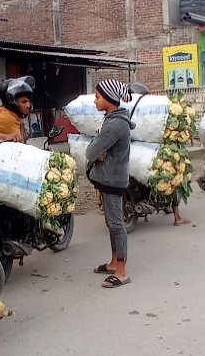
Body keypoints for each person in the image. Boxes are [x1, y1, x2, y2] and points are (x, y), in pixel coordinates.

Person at [86, 80, 135, 288]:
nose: (95, 100)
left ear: (109, 98)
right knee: (111, 223)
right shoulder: (111, 120)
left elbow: (90, 152)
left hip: (112, 180)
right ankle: (114, 262)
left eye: (97, 96)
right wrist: (98, 152)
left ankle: (122, 271)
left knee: (116, 224)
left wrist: (96, 152)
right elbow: (97, 151)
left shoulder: (115, 124)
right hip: (108, 179)